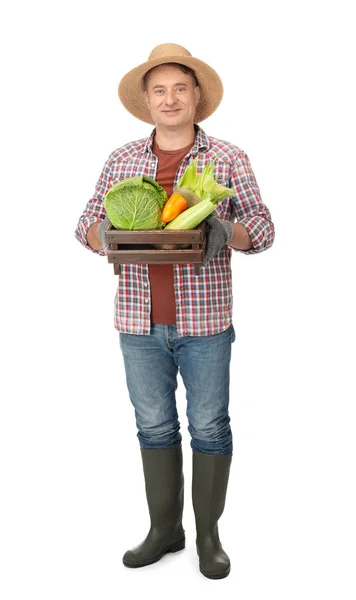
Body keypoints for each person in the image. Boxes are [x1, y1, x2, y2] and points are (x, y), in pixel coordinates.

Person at [74, 43, 275, 580]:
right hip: (138, 322)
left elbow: (263, 231)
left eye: (179, 88)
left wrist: (221, 228)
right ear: (146, 99)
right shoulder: (122, 160)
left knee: (209, 426)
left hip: (206, 322)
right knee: (154, 426)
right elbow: (86, 227)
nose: (170, 98)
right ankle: (165, 530)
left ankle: (208, 537)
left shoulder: (228, 158)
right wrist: (112, 233)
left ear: (197, 97)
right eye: (159, 90)